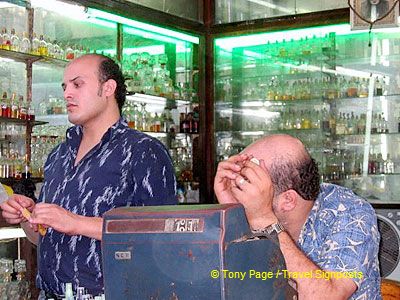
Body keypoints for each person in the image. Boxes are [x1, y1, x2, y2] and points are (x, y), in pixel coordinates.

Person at [0, 54, 177, 298]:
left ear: (108, 88)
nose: (67, 94)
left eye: (77, 84)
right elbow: (43, 238)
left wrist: (76, 223)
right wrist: (28, 217)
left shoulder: (143, 151)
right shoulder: (58, 155)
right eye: (65, 87)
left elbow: (163, 232)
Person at [214, 134, 381, 299]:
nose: (241, 186)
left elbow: (327, 296)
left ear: (288, 200)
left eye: (249, 180)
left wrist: (264, 220)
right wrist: (233, 212)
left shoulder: (351, 213)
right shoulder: (251, 210)